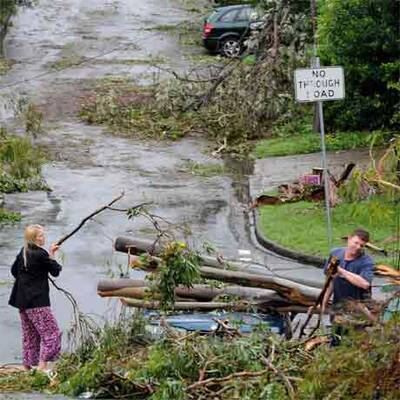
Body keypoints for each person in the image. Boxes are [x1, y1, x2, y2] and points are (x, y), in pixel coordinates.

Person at [9, 224, 62, 372]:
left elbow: (14, 271)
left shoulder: (23, 252)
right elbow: (56, 271)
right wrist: (51, 253)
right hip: (37, 301)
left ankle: (27, 366)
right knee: (52, 333)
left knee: (30, 334)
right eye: (41, 236)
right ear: (34, 239)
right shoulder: (41, 254)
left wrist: (32, 275)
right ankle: (42, 366)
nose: (43, 238)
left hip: (21, 301)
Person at [322, 228, 374, 345]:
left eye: (362, 245)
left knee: (354, 345)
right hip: (338, 307)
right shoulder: (335, 254)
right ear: (349, 239)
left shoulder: (366, 262)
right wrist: (324, 302)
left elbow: (365, 283)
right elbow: (330, 280)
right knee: (336, 342)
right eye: (356, 243)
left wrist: (341, 271)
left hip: (358, 311)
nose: (358, 247)